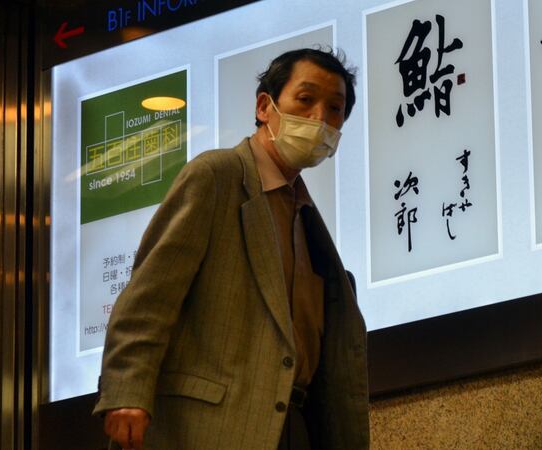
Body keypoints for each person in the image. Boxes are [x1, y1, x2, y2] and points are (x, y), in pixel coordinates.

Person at [93, 48, 370, 450]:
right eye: (305, 100)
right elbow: (148, 296)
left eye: (335, 108)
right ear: (264, 106)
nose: (319, 119)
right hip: (210, 428)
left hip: (294, 428)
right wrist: (126, 392)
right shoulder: (217, 176)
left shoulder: (306, 217)